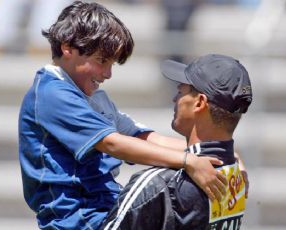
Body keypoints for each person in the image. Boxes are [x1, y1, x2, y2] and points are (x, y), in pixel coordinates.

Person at [18, 1, 231, 229]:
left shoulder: (93, 97)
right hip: (78, 221)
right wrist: (188, 161)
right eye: (101, 61)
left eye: (112, 64)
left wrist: (221, 154)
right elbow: (112, 143)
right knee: (162, 183)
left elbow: (142, 137)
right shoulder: (52, 93)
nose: (108, 73)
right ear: (68, 47)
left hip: (105, 210)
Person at [103, 54, 252, 229]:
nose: (175, 99)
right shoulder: (238, 177)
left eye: (180, 91)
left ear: (199, 103)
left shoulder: (159, 184)